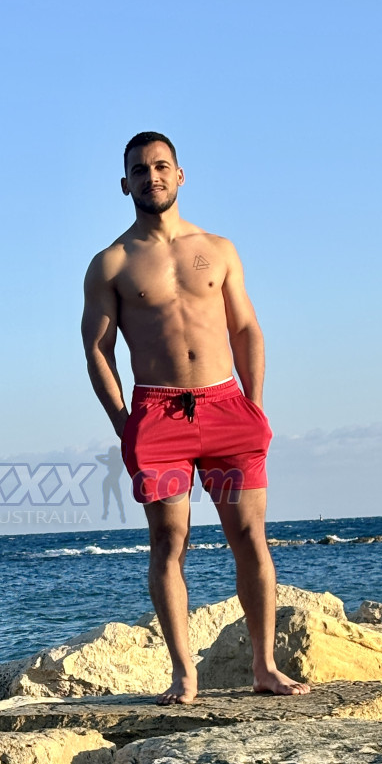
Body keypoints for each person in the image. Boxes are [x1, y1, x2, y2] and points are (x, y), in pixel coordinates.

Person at [81, 131, 308, 704]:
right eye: (140, 169)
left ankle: (264, 666)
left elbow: (246, 328)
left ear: (180, 175)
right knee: (168, 540)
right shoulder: (111, 263)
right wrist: (125, 423)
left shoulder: (219, 249)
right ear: (125, 184)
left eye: (161, 166)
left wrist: (253, 405)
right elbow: (97, 351)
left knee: (250, 536)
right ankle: (185, 675)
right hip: (157, 415)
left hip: (226, 406)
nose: (152, 176)